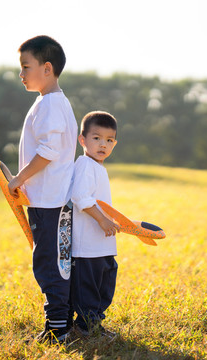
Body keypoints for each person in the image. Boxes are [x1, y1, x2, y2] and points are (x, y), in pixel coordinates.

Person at [7, 35, 78, 344]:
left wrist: (19, 179)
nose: (21, 74)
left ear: (47, 68)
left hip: (49, 201)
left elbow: (49, 152)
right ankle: (64, 320)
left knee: (49, 262)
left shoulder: (49, 104)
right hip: (54, 198)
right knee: (57, 260)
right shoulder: (51, 101)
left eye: (26, 67)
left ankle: (57, 327)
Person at [70, 111, 121, 338]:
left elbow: (101, 203)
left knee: (105, 284)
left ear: (114, 144)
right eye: (97, 138)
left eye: (109, 140)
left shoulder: (99, 167)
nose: (103, 144)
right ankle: (85, 327)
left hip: (102, 244)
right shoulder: (84, 165)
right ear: (83, 140)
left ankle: (94, 324)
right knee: (88, 288)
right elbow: (80, 197)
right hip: (87, 246)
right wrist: (101, 219)